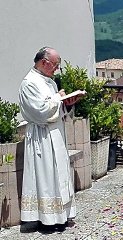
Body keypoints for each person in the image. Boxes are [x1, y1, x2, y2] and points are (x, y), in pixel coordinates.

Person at [18, 47, 83, 231]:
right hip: (42, 137)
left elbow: (56, 109)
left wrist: (67, 104)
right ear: (44, 62)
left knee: (58, 174)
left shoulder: (49, 82)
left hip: (56, 134)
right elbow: (40, 112)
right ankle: (47, 219)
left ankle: (61, 215)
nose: (56, 69)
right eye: (55, 65)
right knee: (46, 177)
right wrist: (59, 98)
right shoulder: (29, 83)